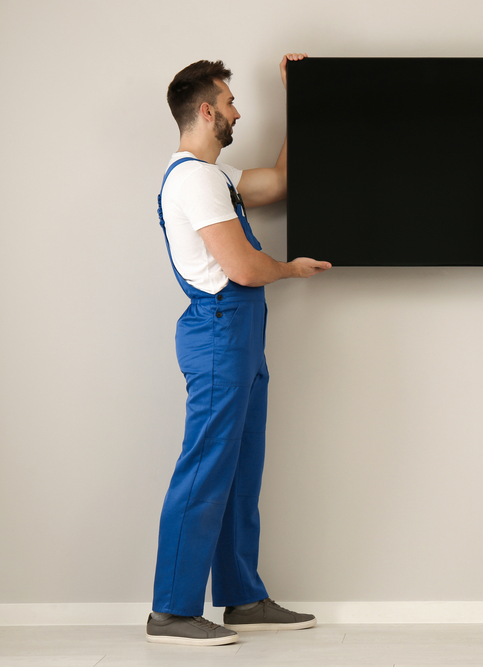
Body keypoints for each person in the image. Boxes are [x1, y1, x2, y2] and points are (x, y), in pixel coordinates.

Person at [147, 53, 331, 646]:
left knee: (238, 473)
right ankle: (171, 612)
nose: (237, 111)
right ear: (206, 110)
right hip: (220, 327)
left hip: (239, 334)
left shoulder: (216, 178)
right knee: (204, 472)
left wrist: (299, 94)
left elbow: (278, 181)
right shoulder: (194, 179)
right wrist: (291, 269)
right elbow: (245, 268)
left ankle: (242, 598)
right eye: (229, 102)